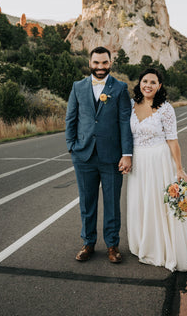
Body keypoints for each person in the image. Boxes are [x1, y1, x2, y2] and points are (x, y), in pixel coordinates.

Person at [65, 46, 133, 263]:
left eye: (104, 63)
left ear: (110, 63)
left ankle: (113, 246)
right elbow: (71, 119)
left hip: (111, 156)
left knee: (112, 203)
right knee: (87, 202)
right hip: (83, 155)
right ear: (90, 63)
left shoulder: (120, 88)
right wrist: (72, 146)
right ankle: (88, 243)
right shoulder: (78, 87)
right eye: (96, 63)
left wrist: (126, 154)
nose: (100, 67)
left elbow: (125, 122)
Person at [127, 68, 187, 272]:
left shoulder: (166, 109)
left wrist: (179, 169)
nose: (148, 85)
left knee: (158, 203)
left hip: (159, 160)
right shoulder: (131, 105)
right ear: (140, 83)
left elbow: (173, 140)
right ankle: (143, 243)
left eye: (153, 82)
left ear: (159, 86)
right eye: (145, 81)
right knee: (140, 202)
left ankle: (164, 249)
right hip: (138, 161)